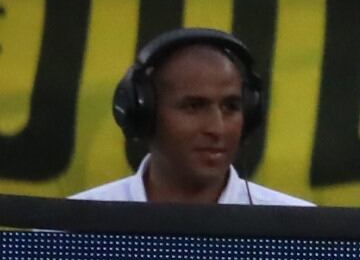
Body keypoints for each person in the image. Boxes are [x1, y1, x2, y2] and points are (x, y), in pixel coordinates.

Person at [80, 31, 310, 210]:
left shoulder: (303, 235)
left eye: (231, 107)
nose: (217, 128)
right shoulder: (73, 229)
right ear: (144, 113)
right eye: (194, 106)